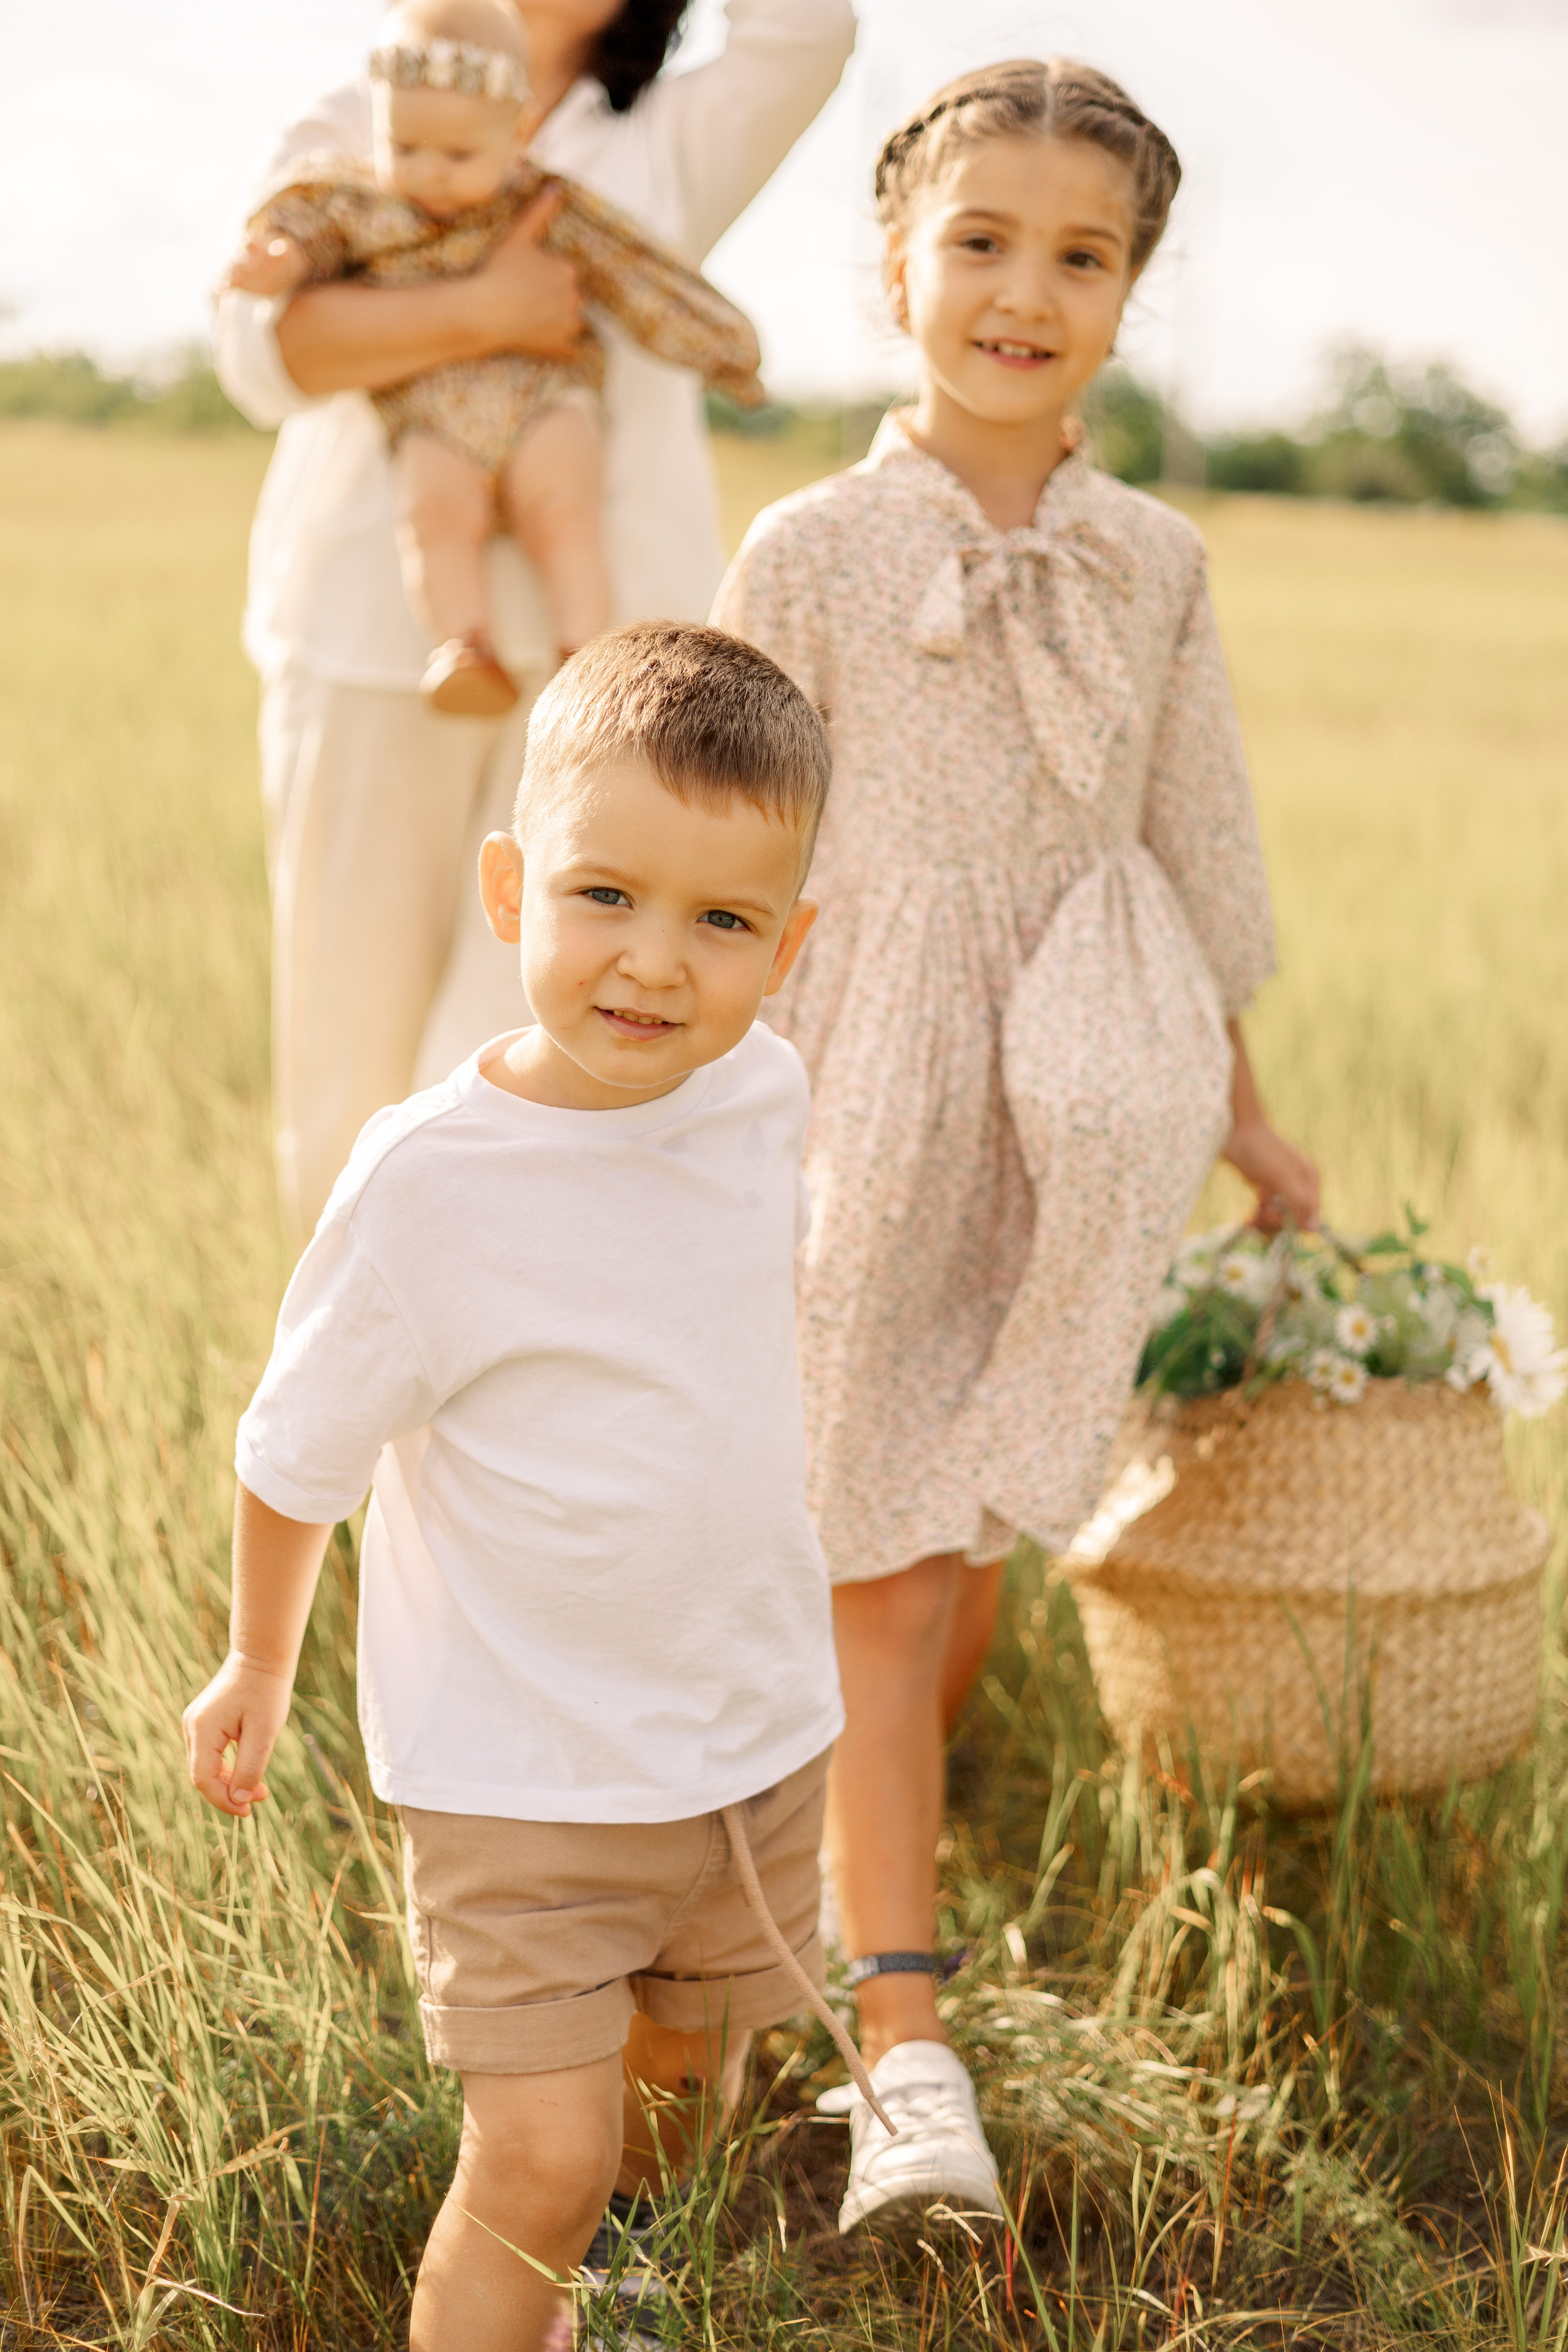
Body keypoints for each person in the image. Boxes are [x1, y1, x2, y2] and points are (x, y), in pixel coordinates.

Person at [712, 58, 1321, 2232]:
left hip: (1086, 1090)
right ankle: (901, 2049)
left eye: (1078, 255)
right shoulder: (809, 547)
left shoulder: (1154, 559)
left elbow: (1196, 833)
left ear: (1128, 293)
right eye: (978, 242)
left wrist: (1239, 1107)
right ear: (893, 265)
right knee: (880, 1570)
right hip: (869, 1090)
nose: (1021, 292)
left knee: (955, 1559)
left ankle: (830, 1887)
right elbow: (728, 832)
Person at [182, 624, 881, 2352]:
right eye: (604, 896)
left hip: (744, 1730)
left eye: (721, 922)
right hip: (522, 1772)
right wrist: (260, 1658)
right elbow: (296, 1448)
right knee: (544, 2155)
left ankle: (615, 2285)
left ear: (788, 947)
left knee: (688, 2085)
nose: (654, 962)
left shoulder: (765, 1091)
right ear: (510, 890)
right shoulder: (434, 1184)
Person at [214, 0, 856, 1248]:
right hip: (371, 636)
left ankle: (504, 1353)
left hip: (608, 672)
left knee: (530, 1045)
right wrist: (490, 308)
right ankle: (340, 1353)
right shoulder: (360, 109)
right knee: (348, 1041)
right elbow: (262, 352)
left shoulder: (663, 137)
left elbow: (808, 32)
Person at [228, 0, 766, 715]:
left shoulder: (622, 154)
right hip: (371, 626)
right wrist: (284, 262)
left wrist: (725, 350)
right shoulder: (359, 146)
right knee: (432, 514)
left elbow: (640, 277)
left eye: (457, 156)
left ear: (516, 135)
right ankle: (462, 646)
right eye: (406, 149)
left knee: (563, 506)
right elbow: (260, 338)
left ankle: (582, 653)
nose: (430, 174)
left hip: (545, 407)